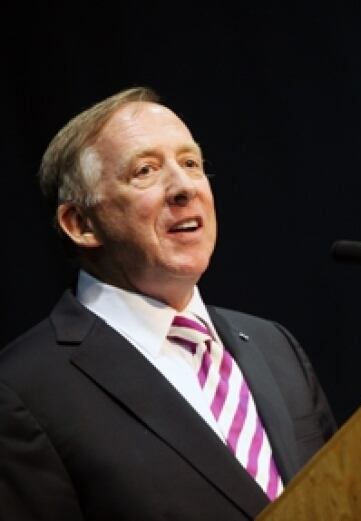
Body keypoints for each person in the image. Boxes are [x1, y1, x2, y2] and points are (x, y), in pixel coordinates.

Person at [0, 87, 337, 520]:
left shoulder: (274, 346)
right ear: (80, 223)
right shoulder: (22, 391)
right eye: (146, 170)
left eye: (192, 163)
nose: (183, 187)